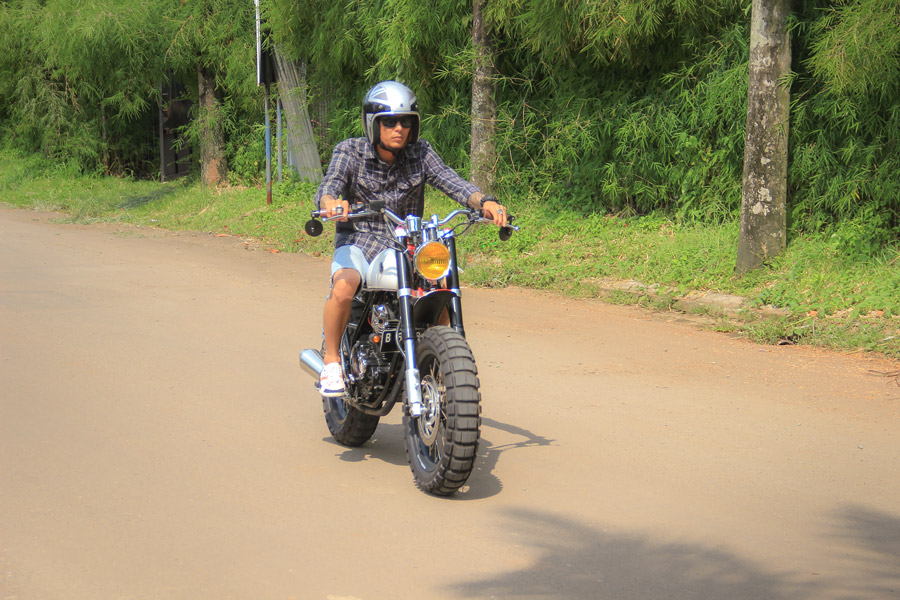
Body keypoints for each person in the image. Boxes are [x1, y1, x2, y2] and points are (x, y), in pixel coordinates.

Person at [314, 80, 508, 397]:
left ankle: (446, 367)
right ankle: (332, 361)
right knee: (345, 285)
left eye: (405, 122)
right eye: (389, 122)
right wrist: (332, 204)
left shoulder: (421, 153)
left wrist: (482, 201)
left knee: (439, 288)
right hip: (360, 237)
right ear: (373, 124)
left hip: (407, 242)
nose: (399, 129)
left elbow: (450, 180)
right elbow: (330, 186)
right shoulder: (350, 151)